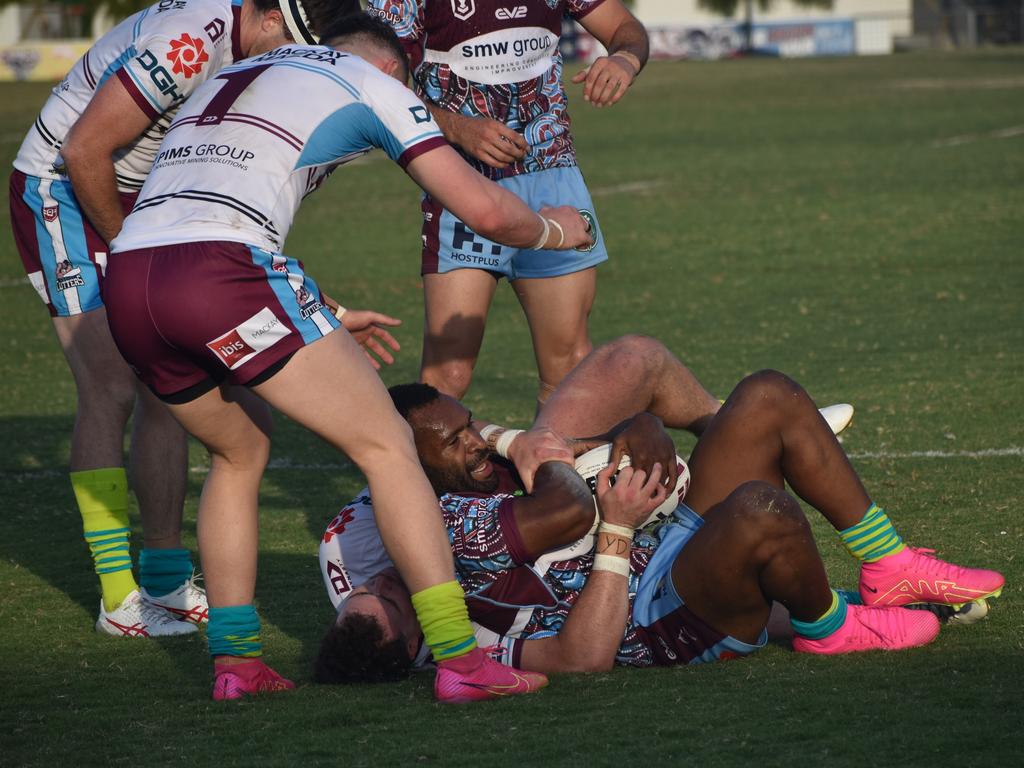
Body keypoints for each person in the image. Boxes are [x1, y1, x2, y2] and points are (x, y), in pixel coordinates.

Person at [103, 14, 593, 701]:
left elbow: (206, 207)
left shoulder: (237, 71)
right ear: (394, 69)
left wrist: (318, 310)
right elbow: (484, 210)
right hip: (220, 274)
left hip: (130, 279)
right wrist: (552, 228)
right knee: (390, 446)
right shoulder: (374, 82)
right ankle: (461, 659)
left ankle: (236, 665)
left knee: (238, 454)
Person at [314, 335, 1004, 679]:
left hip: (659, 551)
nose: (386, 584)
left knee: (766, 393)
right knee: (761, 508)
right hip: (659, 613)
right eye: (395, 605)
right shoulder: (458, 632)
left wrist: (624, 433)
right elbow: (583, 650)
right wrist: (610, 521)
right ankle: (827, 624)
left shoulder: (387, 542)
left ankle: (889, 565)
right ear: (412, 645)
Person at [9, 0, 360, 637]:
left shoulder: (254, 52)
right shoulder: (189, 42)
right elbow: (85, 149)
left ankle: (166, 581)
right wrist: (136, 254)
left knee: (166, 382)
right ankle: (120, 598)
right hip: (64, 184)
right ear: (271, 17)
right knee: (110, 386)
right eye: (289, 46)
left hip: (143, 192)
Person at [366, 0, 649, 406]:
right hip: (461, 185)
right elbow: (376, 86)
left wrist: (625, 59)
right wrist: (457, 127)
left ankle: (556, 469)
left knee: (567, 366)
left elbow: (625, 27)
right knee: (448, 374)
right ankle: (417, 470)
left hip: (552, 176)